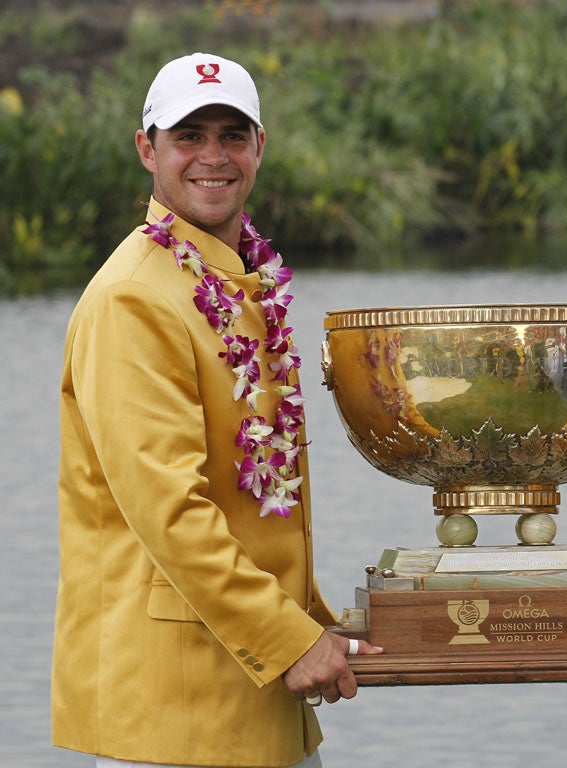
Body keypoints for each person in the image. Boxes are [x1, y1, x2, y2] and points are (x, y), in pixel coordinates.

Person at [53, 52, 381, 768]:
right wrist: (293, 640)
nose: (213, 156)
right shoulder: (133, 298)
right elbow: (172, 513)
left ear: (259, 146)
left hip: (252, 704)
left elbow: (253, 504)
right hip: (172, 718)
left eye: (232, 134)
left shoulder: (230, 280)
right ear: (148, 149)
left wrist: (325, 624)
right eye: (188, 135)